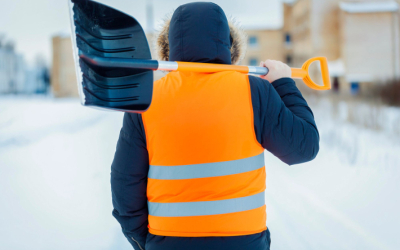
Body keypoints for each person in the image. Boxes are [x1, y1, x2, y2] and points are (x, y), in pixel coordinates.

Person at [111, 2, 319, 250]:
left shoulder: (148, 99)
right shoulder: (255, 91)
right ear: (230, 45)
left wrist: (145, 242)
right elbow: (303, 146)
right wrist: (283, 83)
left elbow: (124, 184)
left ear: (168, 47)